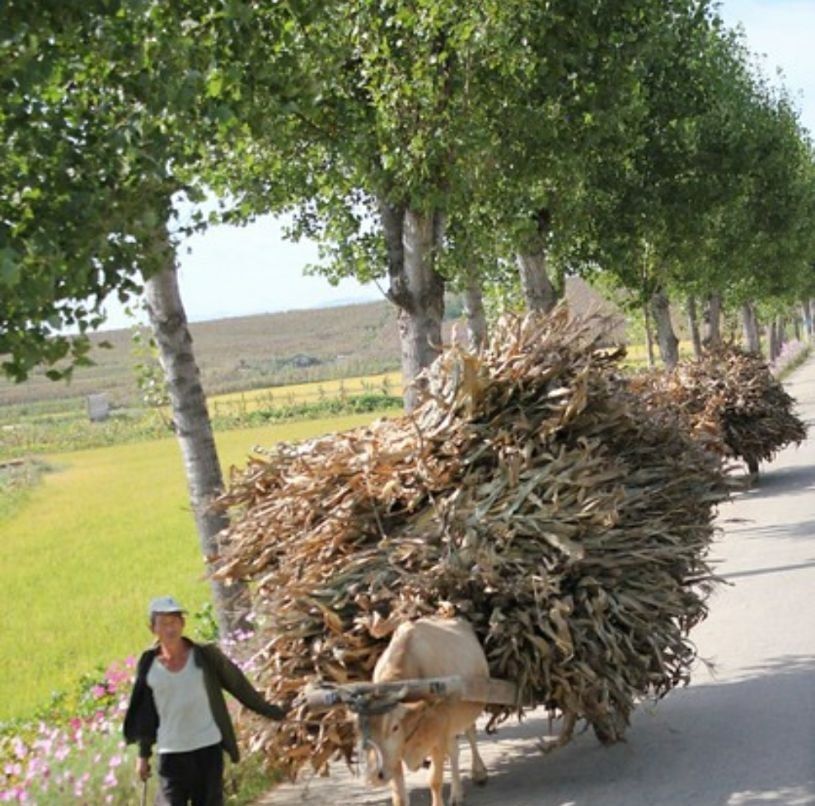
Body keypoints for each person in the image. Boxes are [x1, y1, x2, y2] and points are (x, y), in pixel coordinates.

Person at [124, 595, 286, 805]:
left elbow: (239, 687)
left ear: (182, 624)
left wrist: (274, 712)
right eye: (163, 623)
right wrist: (143, 755)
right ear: (152, 628)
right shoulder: (149, 665)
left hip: (207, 750)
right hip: (171, 754)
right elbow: (146, 713)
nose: (170, 629)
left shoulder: (205, 656)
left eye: (174, 622)